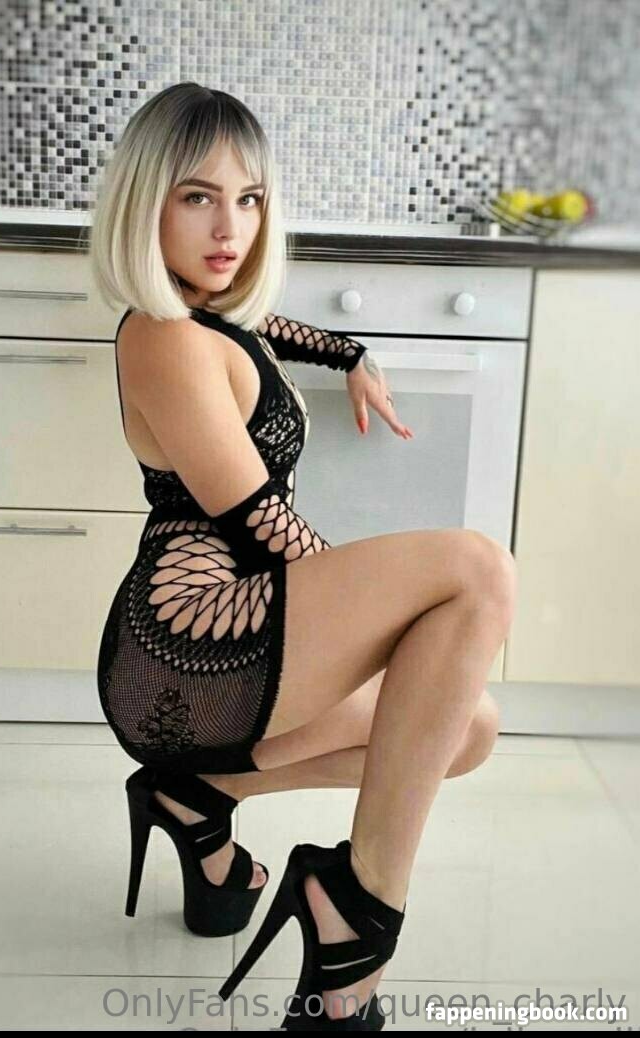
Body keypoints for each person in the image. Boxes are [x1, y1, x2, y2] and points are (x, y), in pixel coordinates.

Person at [90, 81, 515, 1029]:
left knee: (468, 728)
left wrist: (350, 353)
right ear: (145, 202)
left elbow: (275, 330)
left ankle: (196, 795)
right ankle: (356, 919)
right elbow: (260, 525)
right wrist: (383, 632)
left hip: (235, 632)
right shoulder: (162, 337)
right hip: (188, 641)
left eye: (249, 199)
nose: (229, 227)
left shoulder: (214, 321)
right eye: (197, 197)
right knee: (478, 571)